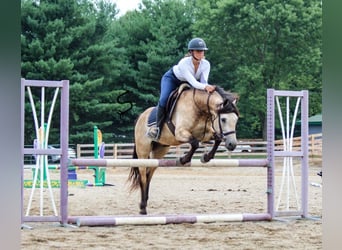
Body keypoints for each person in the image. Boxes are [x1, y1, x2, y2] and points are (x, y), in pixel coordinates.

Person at [147, 37, 216, 140]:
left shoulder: (206, 64)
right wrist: (206, 86)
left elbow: (203, 82)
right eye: (198, 51)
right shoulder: (184, 63)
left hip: (191, 82)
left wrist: (208, 89)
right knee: (164, 99)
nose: (201, 53)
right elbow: (194, 82)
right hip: (172, 79)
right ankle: (157, 128)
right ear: (191, 52)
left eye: (202, 51)